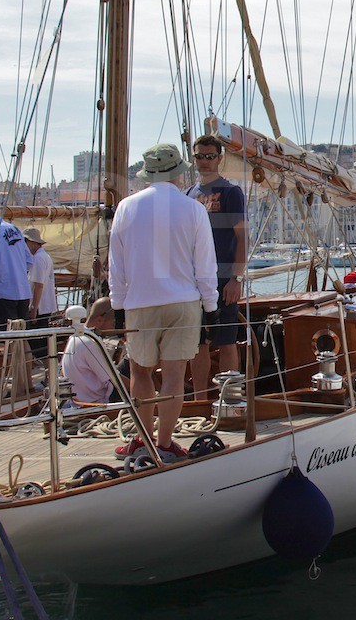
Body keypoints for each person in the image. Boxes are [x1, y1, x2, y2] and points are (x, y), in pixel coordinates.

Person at [109, 141, 218, 460]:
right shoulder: (194, 209)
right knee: (173, 375)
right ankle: (166, 441)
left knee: (140, 373)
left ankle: (142, 439)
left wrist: (118, 306)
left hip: (140, 302)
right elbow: (205, 265)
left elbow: (117, 264)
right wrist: (210, 307)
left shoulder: (126, 207)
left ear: (148, 175)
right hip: (183, 302)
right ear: (179, 174)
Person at [187, 134, 248, 403]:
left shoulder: (231, 193)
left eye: (209, 156)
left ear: (220, 158)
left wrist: (237, 278)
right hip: (193, 280)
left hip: (223, 278)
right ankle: (200, 400)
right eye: (199, 156)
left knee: (226, 339)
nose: (204, 161)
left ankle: (230, 398)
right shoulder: (189, 195)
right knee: (196, 343)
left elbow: (242, 237)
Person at [62, 297, 122, 405]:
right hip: (96, 401)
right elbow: (116, 379)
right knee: (131, 365)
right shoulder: (91, 342)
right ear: (99, 320)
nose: (115, 328)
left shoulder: (75, 337)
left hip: (79, 398)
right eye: (113, 324)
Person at [22, 227, 57, 361]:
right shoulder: (44, 257)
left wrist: (33, 308)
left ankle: (47, 373)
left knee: (38, 345)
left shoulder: (37, 259)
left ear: (30, 242)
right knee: (41, 344)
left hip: (40, 307)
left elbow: (38, 285)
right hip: (44, 306)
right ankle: (48, 374)